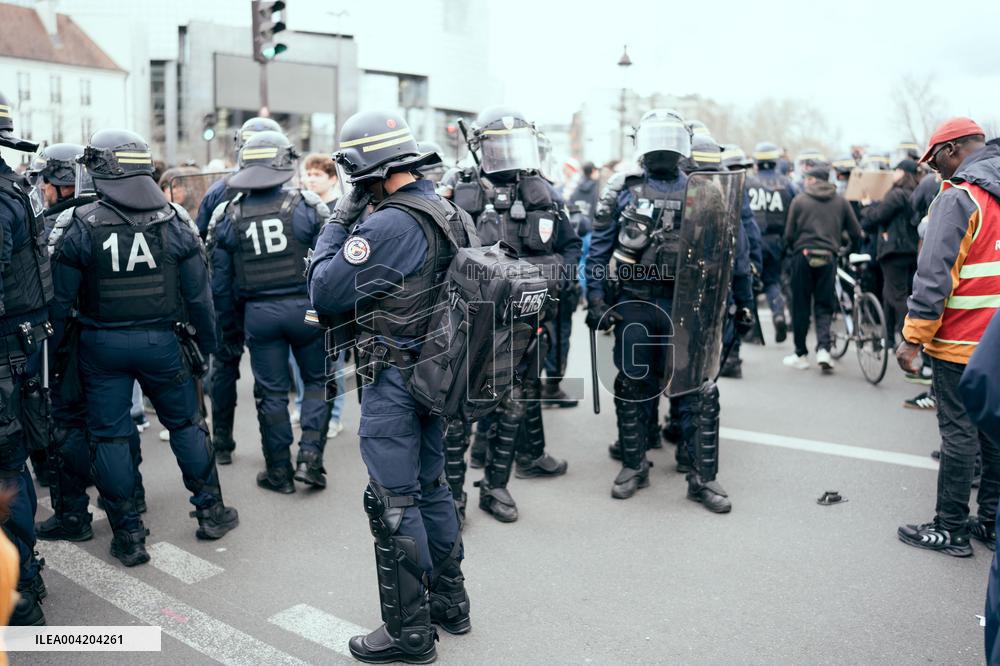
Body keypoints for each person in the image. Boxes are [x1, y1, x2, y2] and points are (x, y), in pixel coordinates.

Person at [308, 110, 472, 663]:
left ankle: (409, 632)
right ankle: (451, 602)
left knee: (393, 502)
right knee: (434, 488)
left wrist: (338, 220)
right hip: (438, 371)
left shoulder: (388, 224)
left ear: (369, 171)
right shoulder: (447, 208)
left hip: (395, 376)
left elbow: (325, 291)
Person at [49, 128, 239, 567]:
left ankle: (129, 535)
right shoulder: (174, 220)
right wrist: (208, 349)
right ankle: (210, 511)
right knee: (188, 425)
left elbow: (59, 304)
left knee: (111, 437)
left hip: (101, 346)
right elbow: (200, 297)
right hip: (164, 342)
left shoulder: (79, 224)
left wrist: (56, 355)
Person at [450, 107, 579, 523]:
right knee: (460, 411)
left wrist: (553, 277)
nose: (507, 153)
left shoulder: (543, 193)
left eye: (514, 143)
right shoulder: (457, 190)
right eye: (497, 144)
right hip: (471, 319)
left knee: (514, 404)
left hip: (524, 320)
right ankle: (452, 497)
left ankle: (496, 486)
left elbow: (572, 247)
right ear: (479, 147)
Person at [896, 117, 1000, 557]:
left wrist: (913, 337)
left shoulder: (959, 197)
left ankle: (950, 527)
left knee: (959, 434)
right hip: (994, 344)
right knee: (993, 437)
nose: (934, 169)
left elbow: (934, 275)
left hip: (961, 342)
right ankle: (991, 522)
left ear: (953, 149)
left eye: (935, 158)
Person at [209, 131, 331, 493]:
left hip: (259, 316)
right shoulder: (309, 206)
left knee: (271, 392)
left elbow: (220, 285)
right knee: (318, 382)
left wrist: (228, 331)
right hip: (307, 312)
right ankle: (310, 459)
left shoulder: (228, 215)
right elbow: (329, 264)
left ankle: (278, 471)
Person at [197, 116, 281, 465]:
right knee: (268, 375)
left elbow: (200, 238)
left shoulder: (220, 190)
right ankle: (273, 454)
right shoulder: (288, 189)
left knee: (224, 369)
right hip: (270, 294)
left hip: (227, 295)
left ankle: (223, 444)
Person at [0, 90, 51, 624]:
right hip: (17, 345)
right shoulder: (14, 185)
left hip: (3, 352)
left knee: (6, 468)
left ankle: (21, 592)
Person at [782, 164, 861, 370]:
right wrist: (850, 250)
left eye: (809, 177)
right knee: (824, 304)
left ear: (814, 180)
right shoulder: (841, 202)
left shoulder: (800, 200)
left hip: (803, 256)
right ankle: (824, 350)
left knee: (800, 305)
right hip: (828, 257)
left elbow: (789, 234)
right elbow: (855, 232)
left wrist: (794, 250)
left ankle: (800, 353)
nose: (806, 180)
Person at [295, 152, 346, 438]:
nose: (310, 179)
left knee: (333, 360)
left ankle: (335, 415)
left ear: (331, 178)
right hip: (303, 292)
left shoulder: (341, 208)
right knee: (300, 360)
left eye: (317, 174)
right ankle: (302, 406)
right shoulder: (301, 206)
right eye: (308, 174)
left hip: (329, 293)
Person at [859, 159, 920, 346]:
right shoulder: (915, 193)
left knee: (897, 296)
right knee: (890, 294)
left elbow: (877, 216)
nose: (893, 173)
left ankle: (909, 340)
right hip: (910, 251)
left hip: (894, 252)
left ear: (903, 173)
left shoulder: (896, 194)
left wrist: (866, 206)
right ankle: (889, 338)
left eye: (897, 170)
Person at [747, 142, 796, 344]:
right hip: (777, 241)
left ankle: (754, 333)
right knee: (772, 281)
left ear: (757, 162)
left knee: (750, 285)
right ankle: (778, 314)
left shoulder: (748, 182)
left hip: (754, 241)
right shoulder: (787, 183)